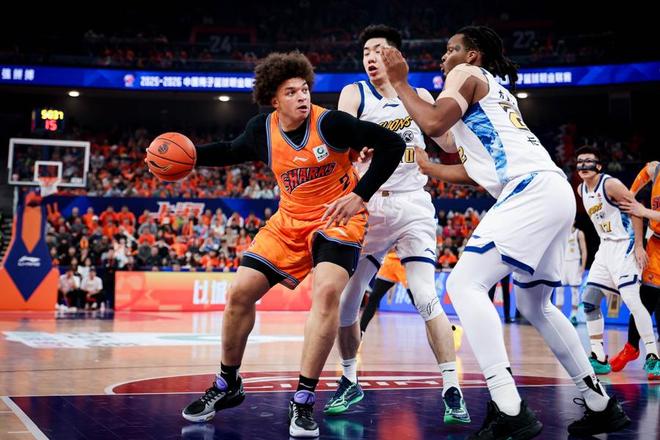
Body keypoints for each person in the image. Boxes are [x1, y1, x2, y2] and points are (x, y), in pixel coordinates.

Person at [382, 25, 630, 438]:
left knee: (463, 285)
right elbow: (466, 160)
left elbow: (435, 120)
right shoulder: (493, 93)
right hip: (552, 190)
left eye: (451, 49)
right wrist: (428, 166)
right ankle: (600, 403)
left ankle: (509, 407)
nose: (444, 57)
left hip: (530, 190)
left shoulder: (465, 74)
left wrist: (401, 83)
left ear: (472, 55)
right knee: (537, 304)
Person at [175, 51, 405, 438]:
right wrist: (191, 157)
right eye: (291, 92)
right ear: (274, 100)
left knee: (327, 292)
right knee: (239, 293)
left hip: (337, 218)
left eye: (304, 90)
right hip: (289, 222)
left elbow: (392, 144)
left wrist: (360, 195)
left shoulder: (331, 123)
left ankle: (303, 399)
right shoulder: (261, 130)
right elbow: (230, 151)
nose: (302, 97)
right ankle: (227, 383)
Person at [327, 25, 469, 424]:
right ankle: (349, 379)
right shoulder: (355, 93)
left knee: (425, 296)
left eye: (379, 50)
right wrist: (352, 151)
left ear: (396, 57)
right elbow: (338, 145)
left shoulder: (420, 95)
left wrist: (463, 124)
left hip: (412, 205)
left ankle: (452, 388)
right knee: (347, 301)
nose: (370, 57)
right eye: (366, 52)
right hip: (368, 204)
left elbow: (448, 144)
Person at [575, 146, 659, 377]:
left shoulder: (610, 185)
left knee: (633, 301)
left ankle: (653, 356)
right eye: (580, 161)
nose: (583, 165)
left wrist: (639, 245)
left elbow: (635, 210)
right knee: (589, 300)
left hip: (625, 244)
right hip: (605, 248)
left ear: (599, 166)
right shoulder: (581, 190)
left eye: (588, 161)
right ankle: (598, 356)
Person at [613, 161, 660, 380]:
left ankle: (653, 358)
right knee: (644, 300)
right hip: (655, 244)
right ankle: (632, 347)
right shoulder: (657, 169)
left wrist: (644, 211)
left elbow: (644, 211)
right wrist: (631, 194)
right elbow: (648, 169)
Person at [558, 223, 587, 325]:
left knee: (574, 290)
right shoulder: (561, 232)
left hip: (574, 262)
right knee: (559, 289)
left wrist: (583, 266)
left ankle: (574, 315)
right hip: (563, 263)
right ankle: (559, 315)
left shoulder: (579, 233)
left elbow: (584, 250)